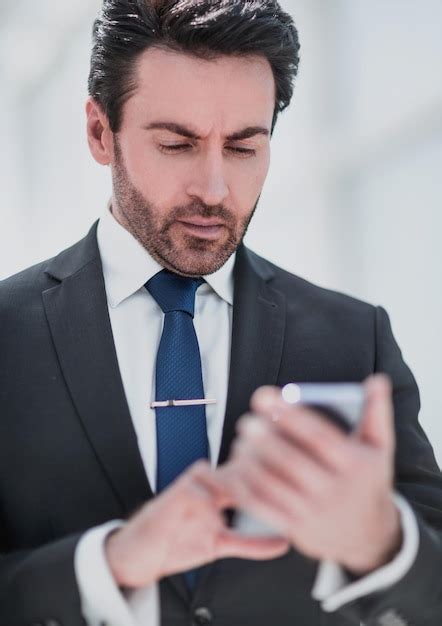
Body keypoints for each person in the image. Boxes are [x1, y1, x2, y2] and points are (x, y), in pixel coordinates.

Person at [0, 1, 441, 625]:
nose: (213, 188)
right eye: (177, 144)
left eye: (243, 148)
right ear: (101, 132)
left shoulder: (354, 337)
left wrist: (379, 541)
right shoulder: (6, 337)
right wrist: (111, 563)